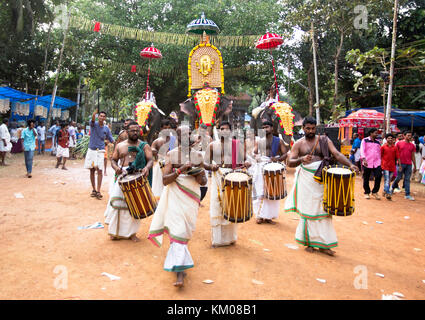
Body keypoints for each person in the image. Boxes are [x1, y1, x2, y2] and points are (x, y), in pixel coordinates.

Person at [284, 117, 359, 256]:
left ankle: (324, 244)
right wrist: (301, 159)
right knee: (309, 211)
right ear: (303, 128)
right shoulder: (299, 144)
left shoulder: (324, 140)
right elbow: (290, 162)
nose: (311, 131)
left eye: (313, 128)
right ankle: (309, 242)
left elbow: (336, 154)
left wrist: (350, 164)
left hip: (323, 179)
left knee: (324, 211)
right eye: (308, 128)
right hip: (306, 180)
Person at [148, 125, 207, 287]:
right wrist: (181, 170)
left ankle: (178, 264)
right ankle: (179, 272)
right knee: (178, 231)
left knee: (184, 232)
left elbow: (203, 182)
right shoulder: (171, 155)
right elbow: (165, 180)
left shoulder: (198, 156)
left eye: (190, 134)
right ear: (178, 137)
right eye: (185, 134)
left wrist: (199, 175)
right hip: (175, 197)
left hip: (190, 200)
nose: (189, 137)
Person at [203, 121, 250, 248]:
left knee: (231, 204)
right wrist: (210, 166)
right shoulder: (212, 145)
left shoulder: (237, 145)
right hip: (218, 175)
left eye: (227, 129)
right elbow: (204, 162)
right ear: (218, 131)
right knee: (216, 204)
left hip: (232, 176)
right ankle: (217, 240)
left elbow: (245, 158)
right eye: (221, 129)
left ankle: (230, 239)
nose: (224, 131)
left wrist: (247, 163)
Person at [105, 121, 153, 241]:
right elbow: (113, 160)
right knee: (117, 204)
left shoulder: (144, 145)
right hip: (123, 176)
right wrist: (117, 169)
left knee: (134, 205)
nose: (135, 132)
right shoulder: (120, 145)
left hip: (137, 176)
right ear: (127, 132)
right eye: (132, 130)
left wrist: (146, 168)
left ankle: (132, 234)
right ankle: (114, 232)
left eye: (137, 130)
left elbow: (150, 160)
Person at [250, 121, 288, 224]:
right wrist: (256, 156)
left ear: (272, 128)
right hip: (261, 166)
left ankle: (268, 217)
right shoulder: (259, 141)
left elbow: (285, 154)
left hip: (273, 167)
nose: (265, 129)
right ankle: (259, 215)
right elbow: (254, 152)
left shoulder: (278, 141)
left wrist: (278, 160)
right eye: (263, 127)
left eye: (267, 127)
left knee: (272, 192)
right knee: (260, 191)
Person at [84, 109, 114, 200]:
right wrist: (94, 113)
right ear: (98, 117)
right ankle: (93, 189)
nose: (102, 117)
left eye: (103, 116)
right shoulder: (93, 124)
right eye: (100, 116)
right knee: (92, 170)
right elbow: (92, 120)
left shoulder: (106, 128)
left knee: (100, 170)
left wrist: (115, 143)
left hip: (100, 151)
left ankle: (98, 190)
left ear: (105, 118)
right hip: (92, 150)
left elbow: (111, 139)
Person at [151, 119, 176, 200]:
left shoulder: (174, 140)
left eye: (169, 128)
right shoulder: (157, 141)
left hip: (172, 165)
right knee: (159, 185)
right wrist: (156, 151)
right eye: (165, 128)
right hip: (160, 166)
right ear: (161, 129)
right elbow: (152, 149)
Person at [391, 131, 417, 200]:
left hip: (409, 164)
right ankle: (392, 188)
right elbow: (395, 153)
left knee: (407, 179)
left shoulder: (412, 145)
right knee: (398, 177)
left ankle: (407, 194)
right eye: (408, 135)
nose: (409, 137)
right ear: (404, 136)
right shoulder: (399, 143)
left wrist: (415, 166)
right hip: (400, 163)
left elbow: (413, 156)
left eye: (410, 136)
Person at [360, 128, 382, 200]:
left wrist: (380, 161)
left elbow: (379, 152)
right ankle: (367, 192)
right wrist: (364, 159)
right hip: (367, 162)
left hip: (377, 162)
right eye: (375, 133)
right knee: (366, 177)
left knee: (378, 176)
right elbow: (362, 150)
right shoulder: (365, 140)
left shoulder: (378, 142)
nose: (377, 134)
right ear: (371, 133)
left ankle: (375, 192)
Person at [381, 133, 400, 200]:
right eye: (389, 138)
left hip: (392, 166)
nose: (390, 139)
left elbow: (398, 157)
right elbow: (380, 156)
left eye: (391, 138)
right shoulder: (383, 147)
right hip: (385, 165)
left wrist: (399, 166)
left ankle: (384, 190)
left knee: (388, 180)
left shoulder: (395, 147)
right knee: (387, 180)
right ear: (386, 139)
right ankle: (388, 193)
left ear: (393, 140)